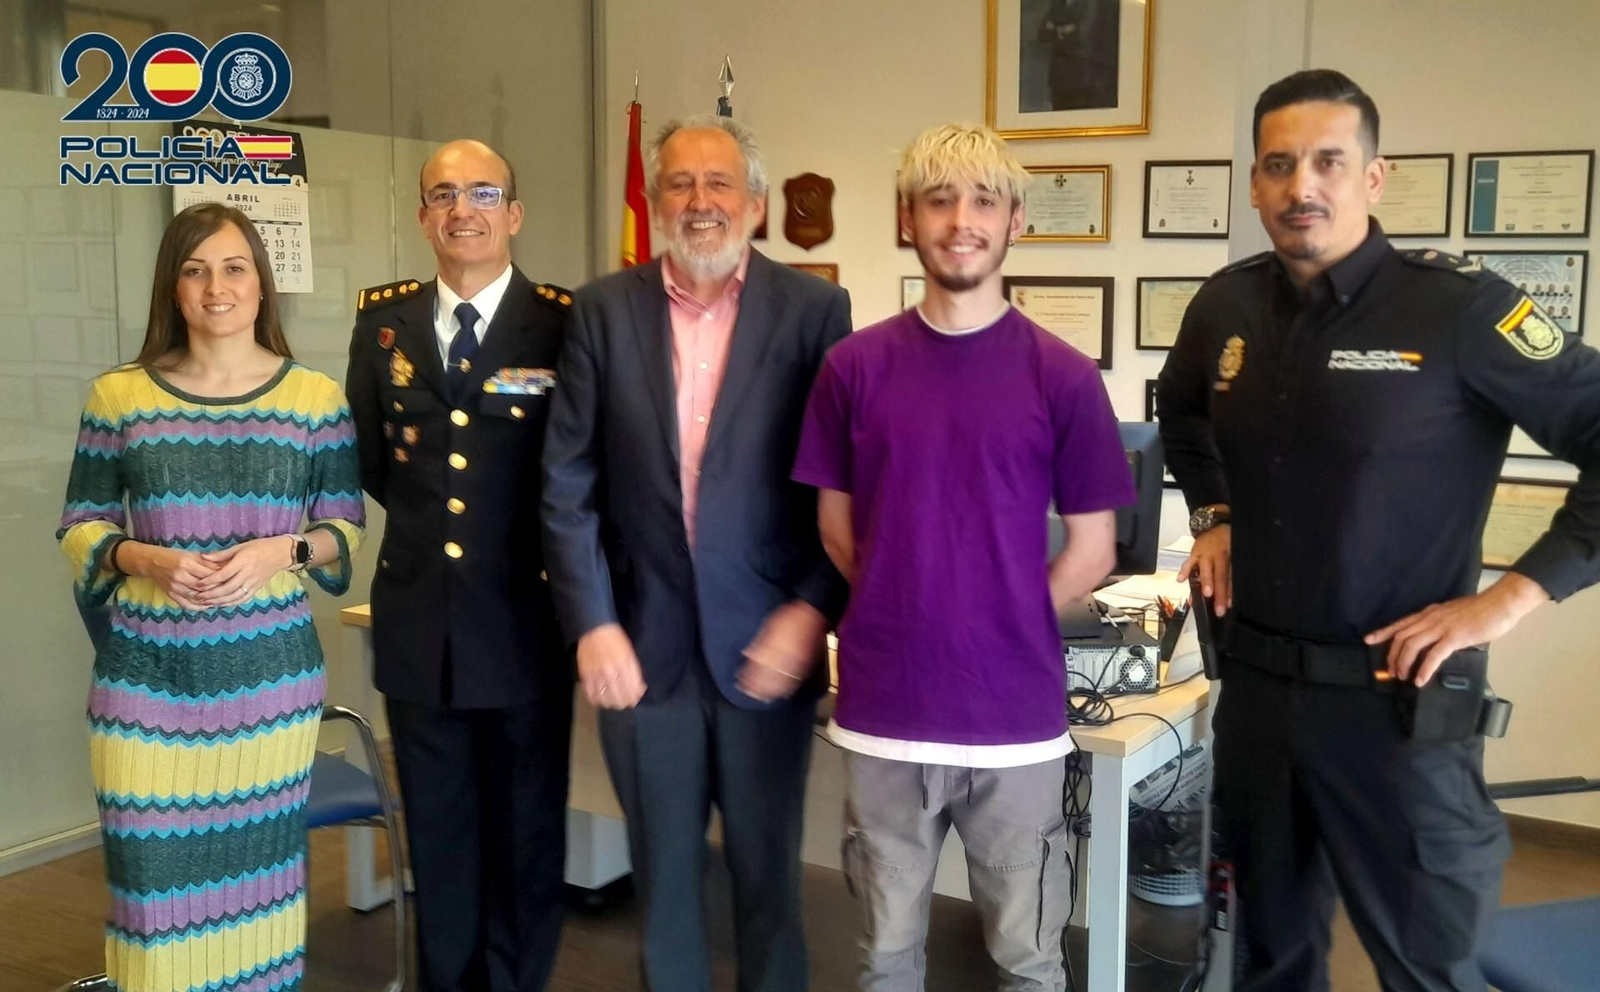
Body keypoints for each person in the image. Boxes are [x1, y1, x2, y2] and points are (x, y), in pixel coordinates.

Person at [1156, 69, 1600, 991]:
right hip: (1259, 699)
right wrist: (1215, 514)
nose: (1300, 186)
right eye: (1278, 165)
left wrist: (1510, 599)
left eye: (1327, 161)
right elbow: (1184, 414)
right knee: (1266, 958)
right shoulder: (1225, 306)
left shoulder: (1459, 309)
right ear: (1253, 182)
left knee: (1425, 965)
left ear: (1373, 177)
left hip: (1397, 708)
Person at [791, 122, 1134, 991]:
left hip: (1014, 723)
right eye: (939, 200)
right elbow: (837, 532)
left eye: (983, 200)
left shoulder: (1061, 375)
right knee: (886, 955)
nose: (961, 220)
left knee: (1028, 959)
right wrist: (913, 612)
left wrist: (991, 622)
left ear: (1017, 220)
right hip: (884, 712)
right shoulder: (852, 368)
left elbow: (1093, 550)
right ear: (909, 219)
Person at [541, 114, 850, 991]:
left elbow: (842, 488)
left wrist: (811, 610)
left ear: (756, 204)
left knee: (769, 887)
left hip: (768, 651)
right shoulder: (603, 309)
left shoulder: (815, 311)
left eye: (720, 184)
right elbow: (567, 482)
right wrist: (592, 623)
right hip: (644, 655)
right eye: (679, 183)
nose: (699, 201)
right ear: (656, 200)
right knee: (664, 889)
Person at [57, 201, 365, 992]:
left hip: (268, 690)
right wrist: (142, 556)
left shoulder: (314, 399)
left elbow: (344, 530)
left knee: (260, 900)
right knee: (151, 905)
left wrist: (281, 550)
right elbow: (80, 527)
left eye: (234, 268)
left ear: (262, 284)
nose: (216, 287)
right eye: (194, 270)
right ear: (173, 288)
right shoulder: (119, 397)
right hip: (145, 691)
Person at [344, 139, 572, 992]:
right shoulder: (383, 323)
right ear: (422, 216)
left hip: (524, 624)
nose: (462, 209)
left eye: (482, 192)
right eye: (443, 194)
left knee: (524, 836)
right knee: (439, 836)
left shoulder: (562, 322)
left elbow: (579, 469)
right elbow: (371, 462)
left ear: (514, 212)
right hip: (419, 627)